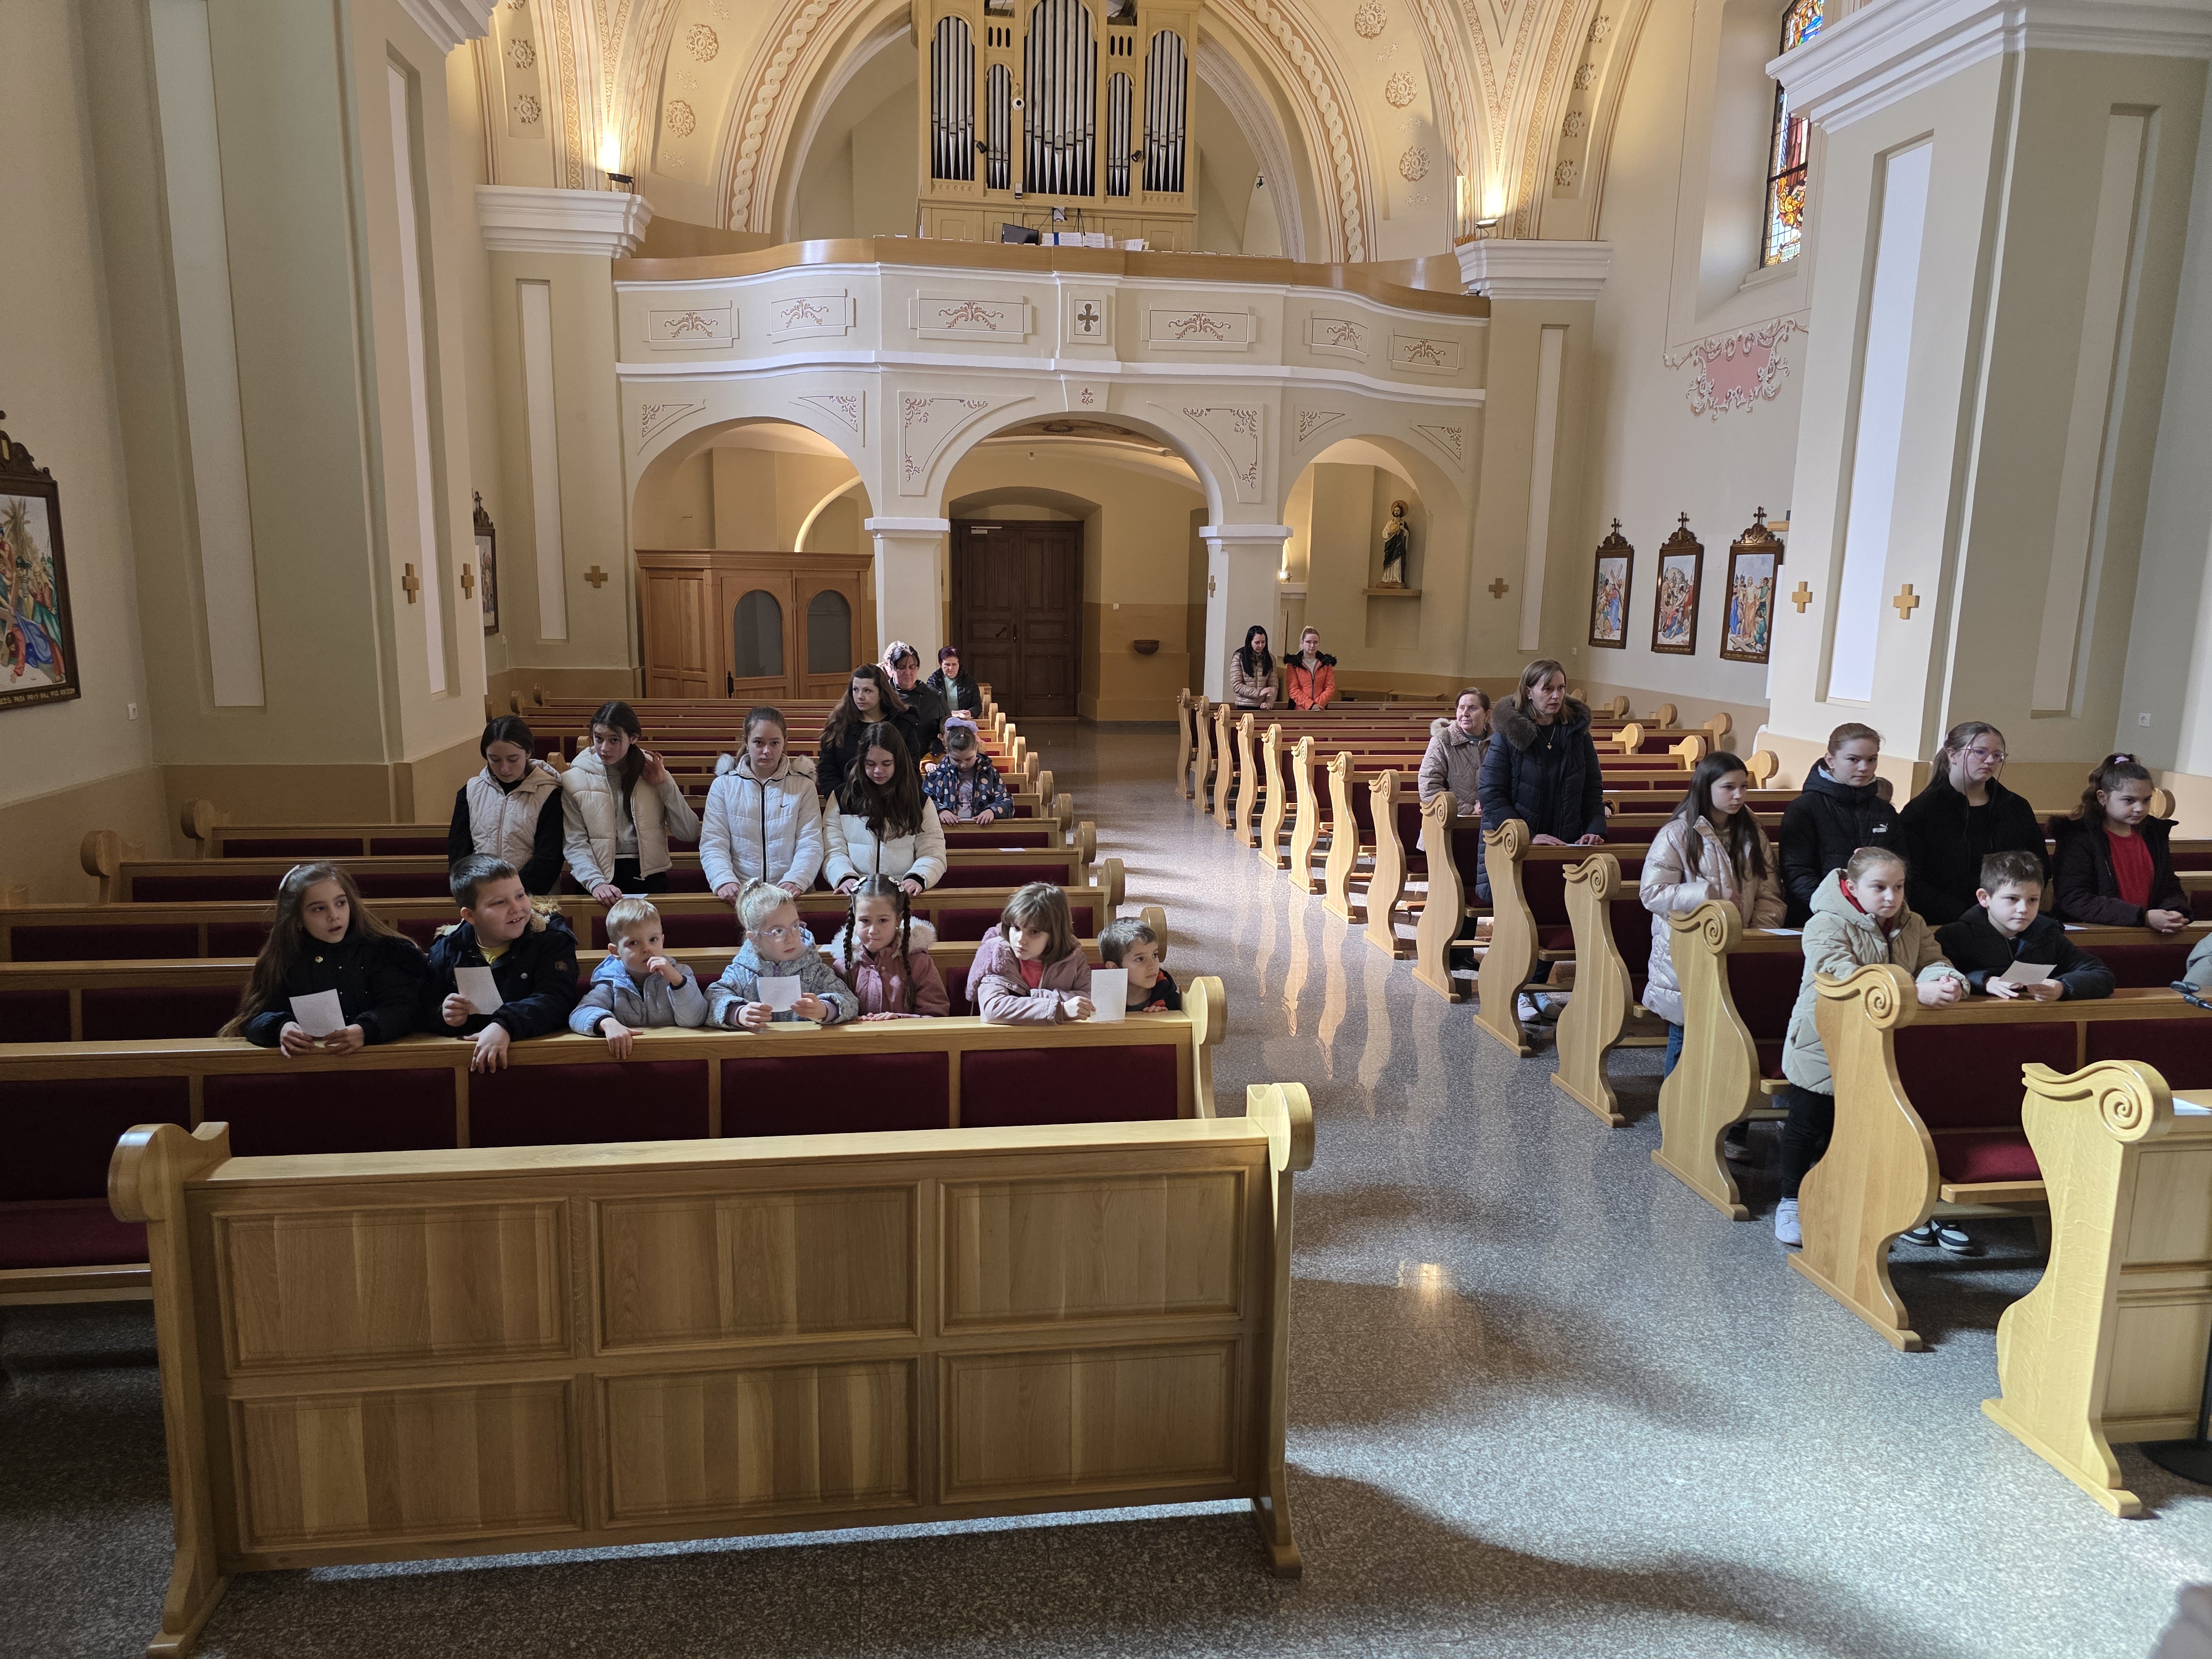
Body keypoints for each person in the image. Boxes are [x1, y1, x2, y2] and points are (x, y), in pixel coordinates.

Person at [1772, 848, 1966, 1248]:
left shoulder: (1911, 922)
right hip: (1823, 1038)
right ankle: (1791, 1200)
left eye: (1899, 887)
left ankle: (1865, 1199)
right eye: (1879, 887)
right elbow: (1841, 975)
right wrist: (1914, 991)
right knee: (1809, 1123)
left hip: (1884, 1041)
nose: (1891, 897)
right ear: (1852, 886)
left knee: (1869, 1125)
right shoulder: (1825, 922)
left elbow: (1933, 959)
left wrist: (1946, 980)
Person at [1639, 752, 1786, 1079]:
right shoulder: (1677, 834)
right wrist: (1710, 896)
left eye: (1744, 787)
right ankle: (1676, 1104)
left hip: (1738, 947)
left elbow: (1769, 894)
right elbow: (1652, 893)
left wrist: (1753, 937)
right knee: (1687, 1033)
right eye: (1729, 787)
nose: (1739, 795)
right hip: (1688, 950)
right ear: (1706, 788)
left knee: (1732, 1036)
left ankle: (1723, 1108)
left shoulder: (1752, 832)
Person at [1477, 659, 1605, 1002]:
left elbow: (1592, 790)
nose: (1556, 696)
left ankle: (1533, 989)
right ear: (1529, 691)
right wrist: (1529, 835)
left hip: (1564, 841)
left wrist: (1593, 829)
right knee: (1522, 919)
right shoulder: (1508, 735)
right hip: (1515, 843)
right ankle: (1515, 990)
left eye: (1561, 688)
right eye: (1547, 689)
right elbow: (1491, 793)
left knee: (1554, 914)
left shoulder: (1577, 734)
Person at [222, 862, 427, 1053]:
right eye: (319, 908)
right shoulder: (285, 958)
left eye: (341, 903)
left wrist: (366, 1029)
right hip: (308, 1064)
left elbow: (404, 1009)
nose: (334, 915)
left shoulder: (382, 951)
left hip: (374, 1060)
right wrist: (280, 1028)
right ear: (297, 919)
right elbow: (253, 1017)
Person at [419, 854, 582, 1073]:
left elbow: (557, 998)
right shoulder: (448, 947)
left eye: (520, 895)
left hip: (537, 1059)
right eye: (500, 902)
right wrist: (444, 1014)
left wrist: (505, 1024)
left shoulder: (550, 938)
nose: (516, 908)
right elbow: (424, 1006)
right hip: (471, 1061)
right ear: (470, 915)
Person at [1896, 721, 2042, 926]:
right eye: (1980, 752)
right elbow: (1911, 877)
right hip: (1945, 920)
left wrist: (2009, 907)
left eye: (1997, 755)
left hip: (2009, 918)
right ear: (1952, 755)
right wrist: (1964, 915)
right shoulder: (1923, 810)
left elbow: (2037, 865)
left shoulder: (2015, 807)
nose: (1990, 761)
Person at [561, 700, 700, 904]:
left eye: (614, 740)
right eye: (598, 739)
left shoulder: (653, 772)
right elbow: (574, 842)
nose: (604, 748)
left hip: (648, 876)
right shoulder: (574, 779)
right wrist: (596, 883)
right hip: (597, 879)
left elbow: (689, 832)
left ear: (633, 738)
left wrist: (664, 785)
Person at [1938, 851, 2115, 1005]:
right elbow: (1936, 976)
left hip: (2036, 1024)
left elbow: (2101, 974)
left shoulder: (2048, 935)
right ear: (1985, 898)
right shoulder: (1955, 936)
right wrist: (1983, 981)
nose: (2024, 909)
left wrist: (2062, 987)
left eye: (2033, 900)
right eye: (2012, 899)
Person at [2047, 753, 2191, 933]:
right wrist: (2144, 917)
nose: (2140, 808)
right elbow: (2074, 898)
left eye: (2146, 800)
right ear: (2102, 798)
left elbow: (2169, 885)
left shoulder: (2154, 833)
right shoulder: (2079, 837)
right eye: (2129, 800)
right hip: (2095, 934)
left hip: (2149, 932)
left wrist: (2174, 912)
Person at [1777, 723, 1898, 927]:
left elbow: (1901, 865)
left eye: (1872, 760)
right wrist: (1844, 910)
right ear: (1830, 760)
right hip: (1818, 917)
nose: (1864, 768)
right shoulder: (1805, 808)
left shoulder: (1884, 811)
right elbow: (1797, 874)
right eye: (1853, 759)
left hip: (1878, 918)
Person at [699, 706, 823, 901]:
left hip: (792, 894)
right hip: (741, 894)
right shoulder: (723, 786)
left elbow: (810, 842)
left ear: (785, 742)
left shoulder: (803, 786)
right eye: (759, 742)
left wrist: (796, 880)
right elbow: (714, 842)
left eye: (775, 743)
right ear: (746, 742)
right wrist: (724, 880)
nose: (767, 751)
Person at [708, 879, 858, 1029]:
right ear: (754, 938)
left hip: (806, 1042)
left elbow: (849, 1001)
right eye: (778, 931)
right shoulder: (741, 973)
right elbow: (712, 1001)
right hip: (757, 1043)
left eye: (795, 926)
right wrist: (738, 1013)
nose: (791, 938)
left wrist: (825, 1009)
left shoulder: (814, 970)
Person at [567, 897, 709, 1055]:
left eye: (653, 940)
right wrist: (607, 1023)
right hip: (630, 1056)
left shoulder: (681, 974)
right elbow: (579, 1015)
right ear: (615, 951)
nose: (647, 948)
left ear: (662, 940)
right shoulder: (611, 982)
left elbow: (695, 1020)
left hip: (673, 1053)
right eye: (633, 943)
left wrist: (677, 982)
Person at [823, 724, 948, 896]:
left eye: (886, 763)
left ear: (898, 761)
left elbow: (933, 851)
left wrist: (917, 877)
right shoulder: (842, 797)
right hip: (856, 894)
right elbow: (833, 850)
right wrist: (845, 876)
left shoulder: (919, 801)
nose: (878, 771)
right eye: (871, 764)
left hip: (900, 895)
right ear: (862, 761)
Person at [447, 716, 565, 895]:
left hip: (533, 895)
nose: (504, 769)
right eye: (495, 759)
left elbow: (549, 857)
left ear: (528, 752)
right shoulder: (471, 791)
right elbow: (459, 852)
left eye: (513, 759)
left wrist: (512, 893)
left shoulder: (549, 793)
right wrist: (476, 891)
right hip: (481, 895)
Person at [825, 874, 951, 1020]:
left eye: (883, 920)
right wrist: (851, 1021)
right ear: (854, 918)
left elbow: (937, 1015)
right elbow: (834, 1012)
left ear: (898, 919)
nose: (873, 930)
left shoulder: (918, 963)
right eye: (865, 920)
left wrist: (899, 1020)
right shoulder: (844, 965)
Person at [970, 881, 1094, 1024]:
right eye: (1016, 928)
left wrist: (1029, 997)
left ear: (1055, 935)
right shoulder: (999, 954)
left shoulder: (1073, 957)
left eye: (1034, 932)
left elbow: (1090, 999)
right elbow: (993, 1008)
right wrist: (1060, 1010)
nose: (1020, 940)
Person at [818, 665, 923, 799]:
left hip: (892, 800)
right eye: (856, 690)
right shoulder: (839, 723)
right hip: (848, 798)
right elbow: (827, 769)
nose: (860, 696)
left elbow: (911, 769)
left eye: (867, 691)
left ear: (881, 693)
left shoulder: (902, 724)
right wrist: (841, 798)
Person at [924, 723, 1013, 825]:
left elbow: (1007, 802)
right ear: (948, 751)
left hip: (982, 829)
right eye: (957, 760)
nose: (963, 765)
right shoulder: (936, 776)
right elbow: (924, 801)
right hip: (948, 830)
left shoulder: (990, 774)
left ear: (976, 749)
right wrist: (941, 811)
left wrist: (992, 811)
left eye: (969, 759)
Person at [883, 640, 948, 758]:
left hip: (927, 761)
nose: (908, 672)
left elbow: (949, 731)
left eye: (912, 667)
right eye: (902, 667)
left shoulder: (935, 697)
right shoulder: (883, 695)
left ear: (918, 668)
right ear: (892, 669)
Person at [1100, 915, 1179, 1013]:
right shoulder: (1098, 999)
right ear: (1114, 968)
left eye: (1154, 955)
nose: (1153, 966)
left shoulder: (1170, 998)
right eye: (1140, 959)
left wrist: (1165, 1018)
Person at [1283, 628, 1336, 709]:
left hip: (1320, 708)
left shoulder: (1326, 663)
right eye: (1308, 642)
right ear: (1302, 642)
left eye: (1315, 642)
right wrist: (1311, 705)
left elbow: (1330, 688)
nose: (1312, 646)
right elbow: (1293, 689)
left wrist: (1317, 705)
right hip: (1299, 709)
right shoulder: (1294, 663)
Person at [928, 645, 983, 722]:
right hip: (941, 722)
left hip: (964, 721)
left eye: (954, 664)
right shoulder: (933, 681)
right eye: (947, 665)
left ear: (959, 664)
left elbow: (977, 706)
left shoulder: (970, 681)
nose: (951, 668)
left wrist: (970, 713)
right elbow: (930, 707)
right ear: (941, 664)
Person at [1228, 624, 1276, 709]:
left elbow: (1273, 686)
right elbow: (1236, 685)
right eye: (1257, 643)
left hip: (1263, 706)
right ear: (1250, 642)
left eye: (1263, 642)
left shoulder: (1270, 658)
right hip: (1245, 705)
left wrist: (1269, 703)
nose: (1261, 646)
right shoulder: (1239, 657)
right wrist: (1258, 693)